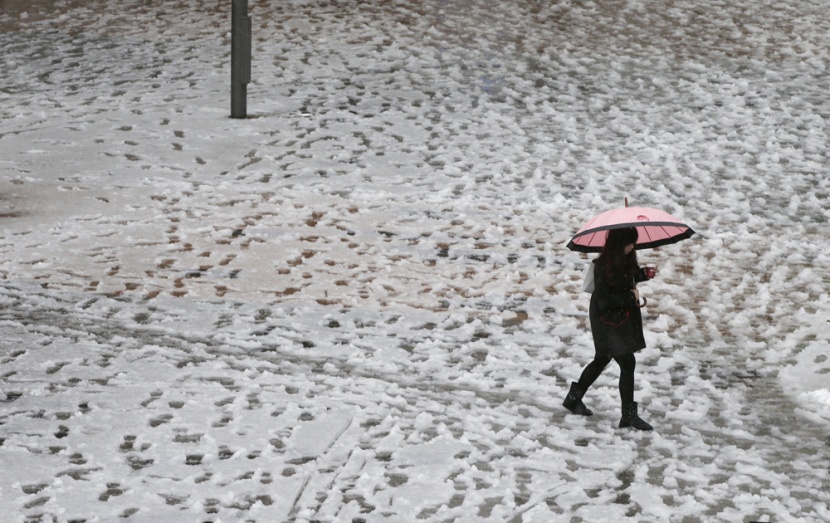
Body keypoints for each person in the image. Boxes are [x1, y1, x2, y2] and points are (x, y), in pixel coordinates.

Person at [563, 227, 655, 431]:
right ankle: (629, 416)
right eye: (629, 243)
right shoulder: (603, 266)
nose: (632, 247)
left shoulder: (625, 260)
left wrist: (642, 275)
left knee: (602, 359)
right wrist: (631, 297)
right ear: (619, 244)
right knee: (627, 362)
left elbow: (624, 280)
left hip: (619, 320)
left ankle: (573, 398)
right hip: (607, 321)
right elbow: (606, 299)